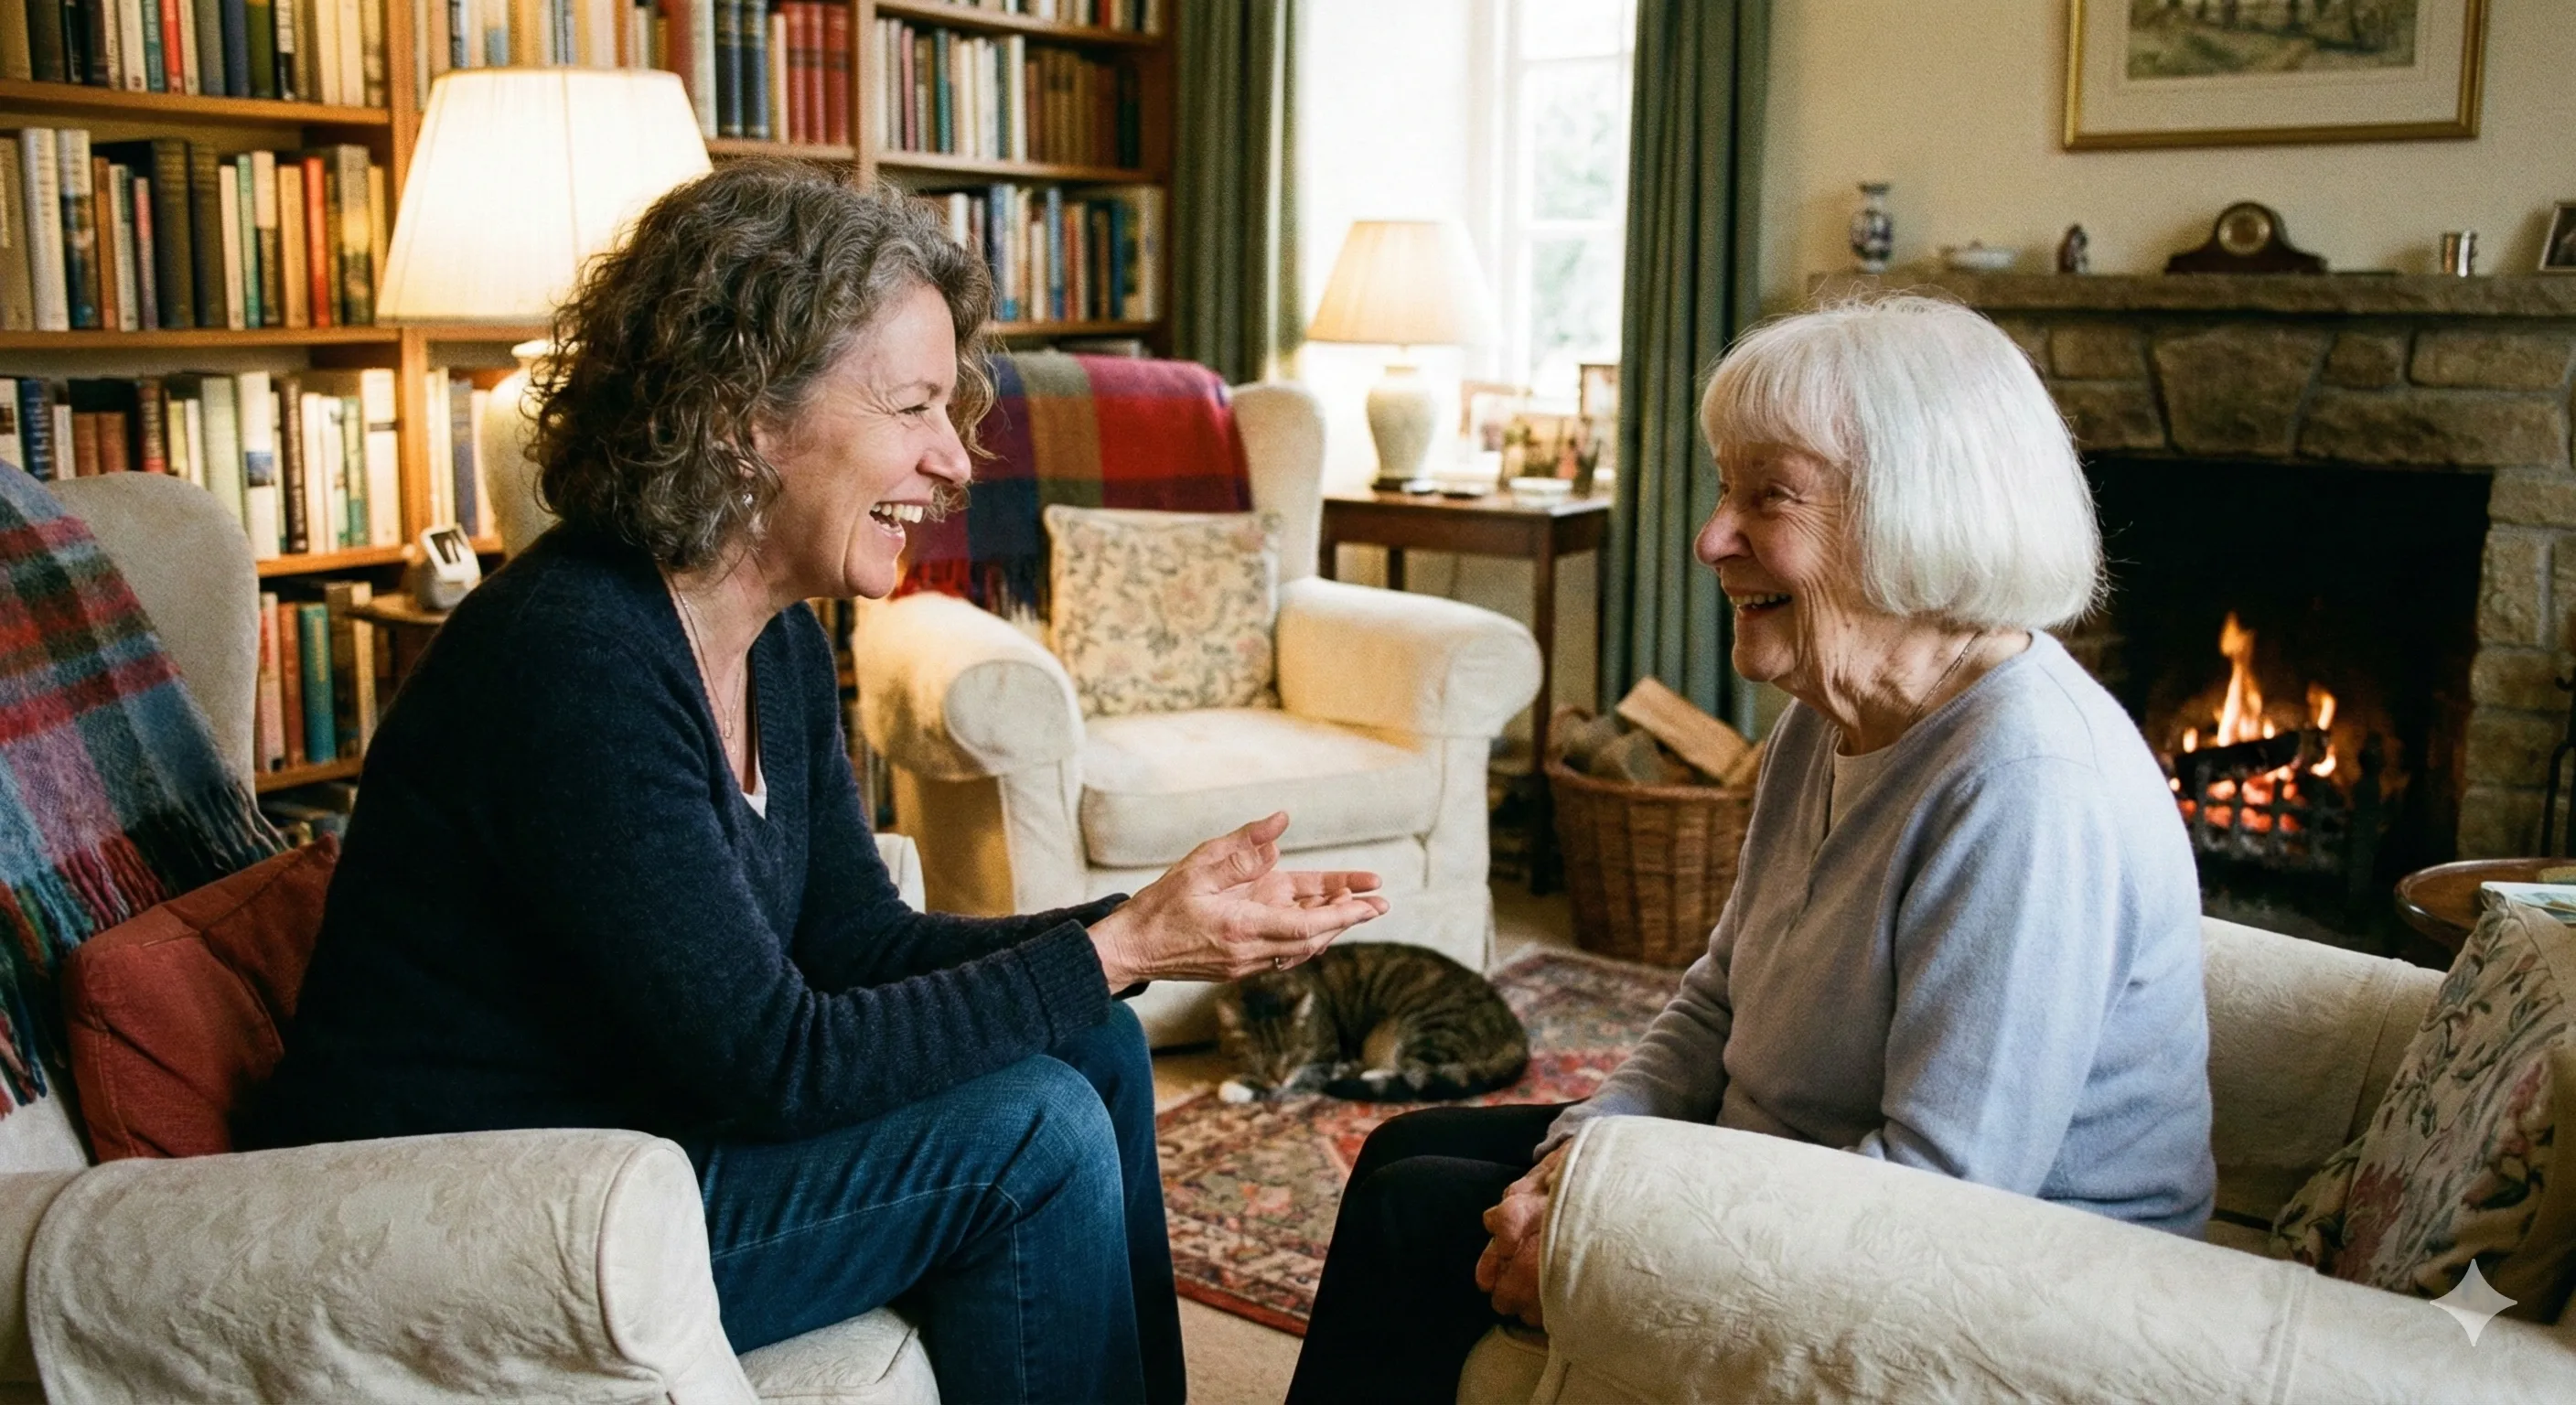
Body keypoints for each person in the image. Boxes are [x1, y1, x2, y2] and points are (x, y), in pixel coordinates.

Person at [240, 162, 1390, 1405]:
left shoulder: (773, 636)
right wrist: (1119, 943)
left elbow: (853, 938)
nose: (956, 459)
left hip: (629, 1144)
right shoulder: (570, 660)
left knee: (1098, 1041)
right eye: (913, 408)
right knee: (1032, 1136)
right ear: (745, 417)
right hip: (483, 1220)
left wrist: (1146, 931)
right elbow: (779, 1065)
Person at [1287, 295, 2216, 1404]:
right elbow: (1718, 998)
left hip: (2014, 1286)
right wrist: (1583, 1156)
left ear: (1917, 513)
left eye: (1766, 495)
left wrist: (1606, 1242)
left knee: (1413, 1216)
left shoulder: (2024, 787)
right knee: (1404, 1156)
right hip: (1783, 1167)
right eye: (1725, 488)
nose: (1709, 537)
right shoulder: (1824, 720)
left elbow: (1942, 1197)